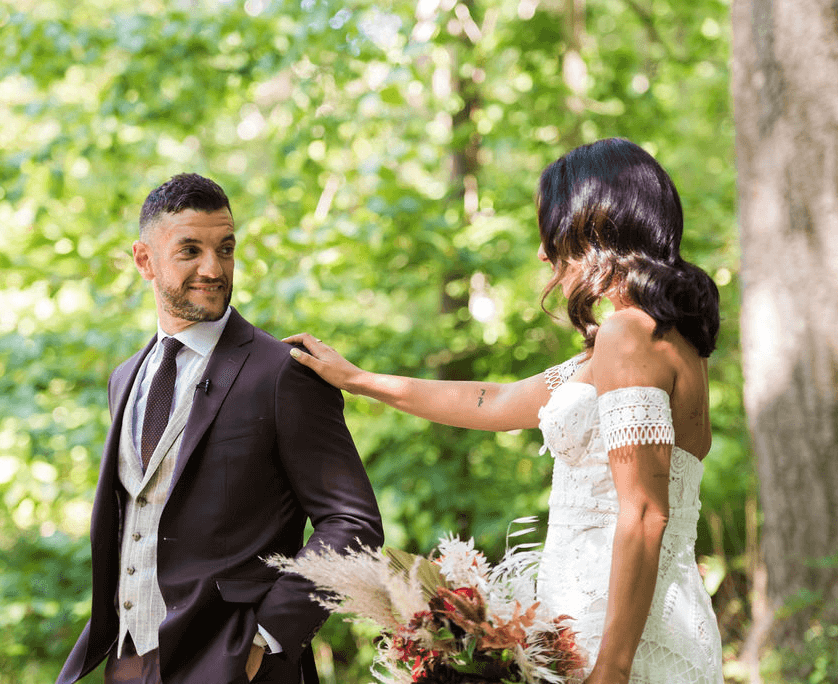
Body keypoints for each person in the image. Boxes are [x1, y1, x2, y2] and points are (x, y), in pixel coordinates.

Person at [286, 138, 724, 683]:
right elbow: (494, 400)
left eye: (551, 228)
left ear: (594, 225)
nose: (543, 253)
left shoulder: (629, 335)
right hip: (610, 624)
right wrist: (358, 380)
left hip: (621, 639)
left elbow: (644, 512)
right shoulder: (660, 341)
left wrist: (611, 669)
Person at [56, 173, 384, 684]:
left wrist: (266, 638)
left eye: (225, 249)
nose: (214, 268)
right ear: (145, 260)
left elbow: (353, 523)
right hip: (126, 659)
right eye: (190, 250)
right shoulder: (125, 378)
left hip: (236, 662)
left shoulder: (283, 372)